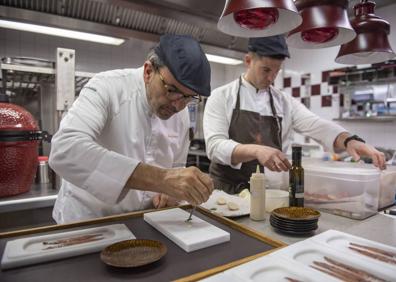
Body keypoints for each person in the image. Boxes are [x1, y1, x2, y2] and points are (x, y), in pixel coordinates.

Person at [49, 34, 214, 223]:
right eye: (171, 90)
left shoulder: (181, 114)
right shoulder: (107, 87)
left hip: (142, 224)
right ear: (148, 71)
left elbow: (175, 168)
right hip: (87, 222)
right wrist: (162, 180)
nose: (178, 106)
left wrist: (172, 193)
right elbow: (64, 149)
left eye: (189, 97)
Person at [203, 35, 386, 194]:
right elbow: (215, 146)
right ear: (248, 60)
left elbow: (317, 125)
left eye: (276, 72)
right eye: (266, 70)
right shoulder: (221, 96)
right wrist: (256, 150)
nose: (271, 78)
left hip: (267, 192)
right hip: (224, 192)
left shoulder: (283, 102)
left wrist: (349, 140)